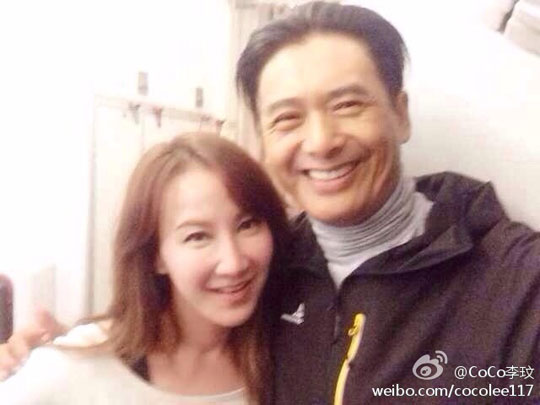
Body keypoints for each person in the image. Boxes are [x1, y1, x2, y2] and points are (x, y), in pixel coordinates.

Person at [2, 2, 540, 403]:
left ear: (399, 113)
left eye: (347, 105)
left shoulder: (516, 286)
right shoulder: (265, 276)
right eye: (287, 118)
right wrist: (59, 361)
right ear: (263, 137)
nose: (320, 141)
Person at [0, 132, 289, 404]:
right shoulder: (74, 369)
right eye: (197, 236)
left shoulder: (289, 360)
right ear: (154, 254)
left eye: (247, 224)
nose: (233, 263)